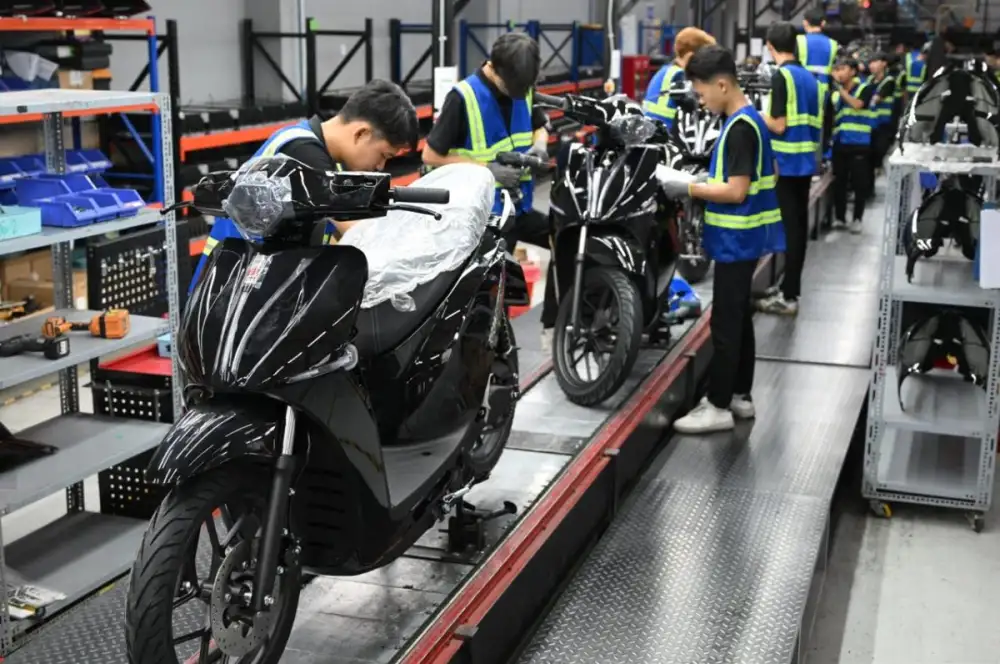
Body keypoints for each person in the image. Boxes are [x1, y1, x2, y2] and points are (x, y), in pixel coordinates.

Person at [661, 45, 785, 434]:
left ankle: (717, 406)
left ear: (721, 85)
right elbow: (769, 172)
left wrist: (688, 187)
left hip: (737, 238)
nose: (701, 101)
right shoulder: (750, 120)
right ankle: (740, 395)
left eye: (701, 93)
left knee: (726, 324)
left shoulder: (740, 128)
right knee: (739, 317)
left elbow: (736, 191)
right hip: (745, 238)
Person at [190, 79, 420, 290]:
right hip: (226, 289)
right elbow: (358, 233)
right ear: (361, 133)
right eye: (384, 155)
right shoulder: (303, 154)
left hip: (246, 284)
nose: (380, 166)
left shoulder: (318, 152)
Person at [422, 32, 558, 350]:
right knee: (493, 291)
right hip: (485, 216)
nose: (519, 94)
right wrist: (486, 168)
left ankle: (552, 324)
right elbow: (430, 156)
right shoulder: (463, 97)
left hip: (518, 207)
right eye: (514, 88)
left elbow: (539, 124)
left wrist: (539, 145)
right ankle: (494, 350)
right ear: (494, 69)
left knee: (564, 235)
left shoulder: (522, 86)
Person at [757, 22, 821, 317]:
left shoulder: (782, 76)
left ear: (770, 46)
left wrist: (754, 113)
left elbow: (779, 125)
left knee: (790, 231)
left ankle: (788, 295)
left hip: (786, 164)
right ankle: (788, 286)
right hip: (805, 162)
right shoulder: (809, 78)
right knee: (797, 228)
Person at [830, 57, 875, 234]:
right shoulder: (835, 93)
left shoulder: (865, 88)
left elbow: (857, 104)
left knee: (859, 184)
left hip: (859, 144)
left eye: (843, 68)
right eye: (836, 69)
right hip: (840, 143)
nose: (839, 73)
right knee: (839, 183)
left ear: (853, 71)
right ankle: (840, 218)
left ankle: (857, 219)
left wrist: (839, 89)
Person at [642, 27, 717, 129]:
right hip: (666, 131)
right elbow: (693, 107)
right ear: (690, 56)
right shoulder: (678, 76)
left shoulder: (666, 70)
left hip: (652, 129)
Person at [798, 7, 839, 152]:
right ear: (823, 23)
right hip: (824, 91)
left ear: (805, 22)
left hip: (800, 88)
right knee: (820, 128)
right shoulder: (833, 44)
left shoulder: (799, 41)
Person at [867, 52, 897, 175]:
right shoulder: (869, 80)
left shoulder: (889, 81)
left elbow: (875, 99)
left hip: (883, 123)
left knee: (879, 150)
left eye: (875, 62)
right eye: (870, 62)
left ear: (884, 63)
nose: (871, 65)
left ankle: (877, 169)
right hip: (870, 122)